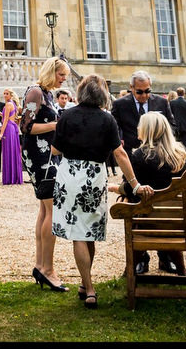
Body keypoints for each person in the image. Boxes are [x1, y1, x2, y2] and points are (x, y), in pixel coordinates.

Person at [52, 73, 151, 309]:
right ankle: (88, 286)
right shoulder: (107, 119)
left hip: (70, 176)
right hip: (94, 176)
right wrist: (134, 184)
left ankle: (88, 286)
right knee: (90, 232)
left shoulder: (67, 115)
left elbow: (55, 151)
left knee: (79, 233)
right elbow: (120, 154)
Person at [116, 111, 186, 276]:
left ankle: (134, 266)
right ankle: (180, 269)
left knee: (134, 207)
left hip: (151, 222)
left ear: (146, 130)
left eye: (140, 125)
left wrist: (118, 188)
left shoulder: (140, 156)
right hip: (180, 221)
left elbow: (134, 190)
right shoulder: (181, 154)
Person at [23, 56, 70, 293]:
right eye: (61, 75)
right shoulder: (35, 93)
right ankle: (48, 269)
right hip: (39, 157)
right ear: (52, 72)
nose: (64, 79)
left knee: (45, 209)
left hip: (49, 155)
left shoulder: (48, 94)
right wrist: (56, 126)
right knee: (52, 209)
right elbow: (27, 127)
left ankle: (41, 265)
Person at [111, 71, 172, 158]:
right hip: (131, 154)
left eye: (147, 91)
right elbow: (114, 127)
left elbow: (171, 126)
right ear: (131, 87)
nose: (144, 95)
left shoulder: (162, 102)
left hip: (159, 155)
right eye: (139, 92)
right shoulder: (119, 104)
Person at [0, 88, 23, 185]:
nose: (5, 95)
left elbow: (5, 120)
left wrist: (1, 133)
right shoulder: (12, 104)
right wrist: (1, 114)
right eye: (4, 93)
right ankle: (14, 176)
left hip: (8, 129)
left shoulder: (8, 104)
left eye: (7, 94)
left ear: (11, 95)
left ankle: (10, 177)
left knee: (9, 151)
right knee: (12, 151)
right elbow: (9, 117)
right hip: (12, 128)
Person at [167, 85, 186, 163]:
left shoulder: (172, 103)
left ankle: (176, 160)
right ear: (184, 94)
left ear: (177, 93)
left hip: (175, 127)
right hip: (185, 127)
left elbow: (170, 114)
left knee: (175, 145)